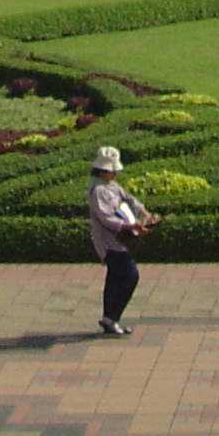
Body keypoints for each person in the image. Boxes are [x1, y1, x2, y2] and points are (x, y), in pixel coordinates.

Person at [87, 144, 160, 335]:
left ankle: (109, 319)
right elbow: (107, 219)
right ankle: (112, 317)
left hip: (121, 240)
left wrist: (145, 214)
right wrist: (133, 226)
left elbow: (129, 200)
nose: (114, 175)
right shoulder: (98, 190)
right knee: (129, 276)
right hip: (110, 243)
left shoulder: (111, 186)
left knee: (115, 278)